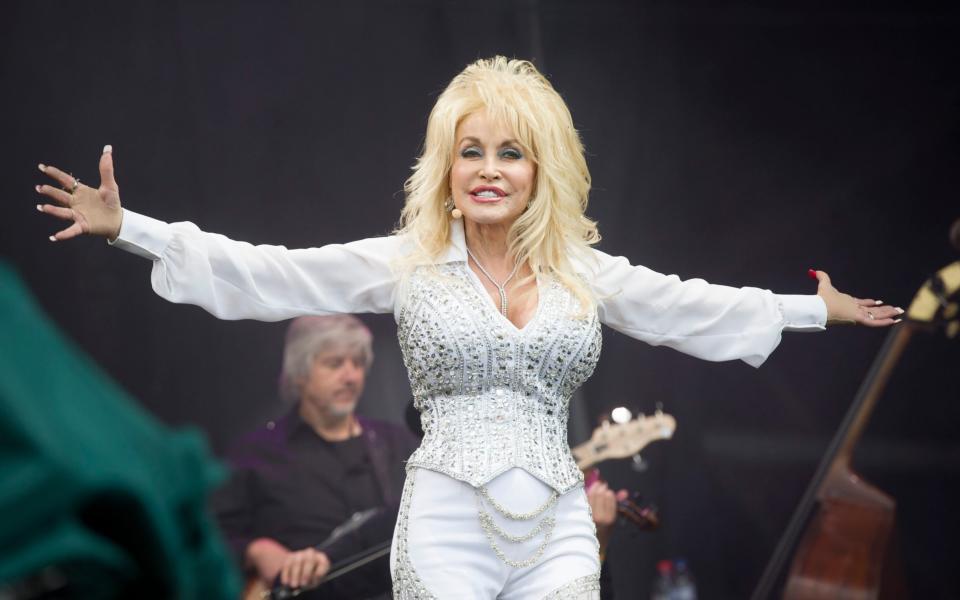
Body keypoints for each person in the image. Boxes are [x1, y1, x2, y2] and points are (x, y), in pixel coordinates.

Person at [34, 56, 902, 599]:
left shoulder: (580, 272)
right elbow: (269, 270)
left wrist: (813, 310)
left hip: (560, 525)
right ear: (447, 167)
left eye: (511, 151)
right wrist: (131, 228)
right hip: (445, 521)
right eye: (471, 149)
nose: (489, 170)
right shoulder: (407, 259)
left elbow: (688, 304)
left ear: (542, 169)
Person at [212, 314, 417, 599]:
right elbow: (208, 535)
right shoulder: (256, 453)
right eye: (334, 364)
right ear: (300, 372)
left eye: (357, 364)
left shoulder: (398, 443)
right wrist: (255, 551)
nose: (351, 376)